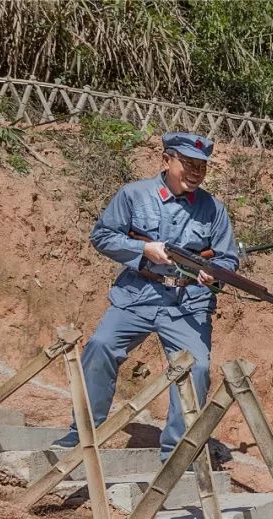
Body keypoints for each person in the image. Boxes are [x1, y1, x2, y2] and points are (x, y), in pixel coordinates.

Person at [52, 132, 238, 460]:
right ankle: (81, 434)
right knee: (101, 346)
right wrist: (143, 249)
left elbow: (228, 258)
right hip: (137, 294)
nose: (196, 172)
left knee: (196, 369)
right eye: (188, 164)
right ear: (167, 160)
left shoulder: (214, 209)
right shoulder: (134, 195)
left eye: (202, 167)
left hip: (188, 303)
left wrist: (214, 274)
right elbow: (103, 236)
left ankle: (176, 456)